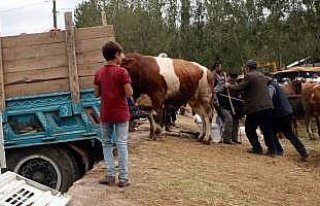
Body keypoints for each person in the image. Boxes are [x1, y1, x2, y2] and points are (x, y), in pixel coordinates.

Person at [94, 41, 133, 187]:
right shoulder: (122, 72)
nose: (122, 57)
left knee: (106, 144)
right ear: (116, 54)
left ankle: (110, 176)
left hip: (106, 113)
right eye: (121, 54)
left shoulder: (99, 72)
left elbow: (96, 94)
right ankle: (123, 178)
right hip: (121, 113)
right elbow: (129, 93)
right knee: (121, 143)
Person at [225, 60, 277, 156]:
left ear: (248, 68)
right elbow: (269, 80)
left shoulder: (249, 76)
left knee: (249, 129)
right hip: (268, 106)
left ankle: (257, 148)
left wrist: (229, 86)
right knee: (267, 129)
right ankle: (272, 150)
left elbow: (240, 87)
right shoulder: (262, 76)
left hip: (256, 108)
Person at [268, 80, 309, 160]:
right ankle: (303, 151)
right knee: (290, 134)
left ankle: (278, 150)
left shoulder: (270, 87)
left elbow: (269, 99)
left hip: (280, 114)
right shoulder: (277, 86)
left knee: (271, 131)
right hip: (288, 112)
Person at [218, 73, 243, 144]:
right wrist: (224, 87)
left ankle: (234, 138)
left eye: (234, 79)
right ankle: (226, 138)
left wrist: (239, 96)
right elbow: (217, 92)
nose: (232, 81)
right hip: (223, 107)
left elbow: (238, 94)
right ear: (229, 78)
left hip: (233, 107)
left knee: (236, 121)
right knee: (229, 120)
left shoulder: (236, 85)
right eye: (231, 79)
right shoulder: (223, 84)